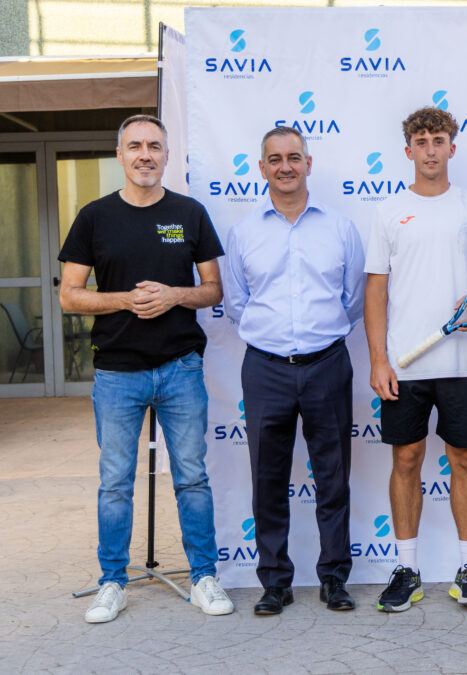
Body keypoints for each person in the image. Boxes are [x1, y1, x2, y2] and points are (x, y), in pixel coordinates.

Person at [59, 114, 234, 623]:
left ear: (167, 155)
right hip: (117, 373)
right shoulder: (94, 217)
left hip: (180, 369)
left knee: (192, 478)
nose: (144, 155)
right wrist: (126, 301)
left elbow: (213, 289)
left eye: (154, 146)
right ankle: (112, 583)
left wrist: (174, 295)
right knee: (115, 482)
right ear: (119, 155)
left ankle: (204, 577)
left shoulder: (189, 213)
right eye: (134, 146)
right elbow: (70, 296)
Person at [223, 126, 364, 615]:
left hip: (327, 364)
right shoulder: (243, 233)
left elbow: (352, 299)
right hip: (265, 368)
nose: (285, 166)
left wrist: (319, 336)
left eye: (294, 157)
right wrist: (274, 338)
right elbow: (237, 302)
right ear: (262, 167)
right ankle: (274, 582)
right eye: (275, 159)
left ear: (308, 163)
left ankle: (334, 579)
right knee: (267, 478)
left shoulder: (340, 228)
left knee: (333, 477)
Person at [365, 107, 467, 612]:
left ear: (452, 148)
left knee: (465, 459)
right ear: (408, 151)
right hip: (406, 364)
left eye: (438, 140)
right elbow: (376, 291)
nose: (430, 149)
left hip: (463, 362)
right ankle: (407, 569)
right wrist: (379, 360)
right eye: (421, 142)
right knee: (406, 460)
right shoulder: (388, 211)